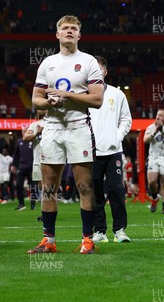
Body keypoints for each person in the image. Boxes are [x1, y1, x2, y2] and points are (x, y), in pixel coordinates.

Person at [28, 15, 104, 254]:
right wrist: (51, 102)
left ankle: (87, 241)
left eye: (74, 28)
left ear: (79, 35)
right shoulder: (47, 63)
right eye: (65, 28)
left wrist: (68, 95)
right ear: (57, 34)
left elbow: (97, 99)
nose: (69, 31)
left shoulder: (89, 61)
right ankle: (48, 241)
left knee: (83, 185)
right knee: (49, 187)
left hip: (78, 126)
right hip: (52, 128)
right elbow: (35, 100)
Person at [90, 56, 132, 243]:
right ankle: (99, 231)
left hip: (114, 150)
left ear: (105, 72)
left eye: (99, 69)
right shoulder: (84, 95)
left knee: (116, 190)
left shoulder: (117, 94)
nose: (96, 72)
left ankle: (120, 230)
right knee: (95, 192)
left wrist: (117, 137)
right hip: (91, 152)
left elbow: (126, 120)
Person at [144, 109, 164, 214]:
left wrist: (162, 130)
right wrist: (155, 132)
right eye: (157, 115)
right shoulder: (150, 127)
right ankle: (155, 198)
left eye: (161, 115)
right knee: (151, 182)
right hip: (153, 158)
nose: (157, 117)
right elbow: (145, 140)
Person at [23, 110, 47, 210]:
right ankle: (45, 210)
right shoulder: (35, 124)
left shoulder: (53, 122)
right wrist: (37, 133)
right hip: (38, 159)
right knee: (41, 185)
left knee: (49, 185)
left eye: (42, 108)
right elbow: (25, 137)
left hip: (51, 158)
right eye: (38, 108)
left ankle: (48, 210)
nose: (39, 110)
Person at [11, 128, 34, 211]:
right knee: (18, 185)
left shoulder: (33, 141)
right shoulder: (19, 142)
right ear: (22, 133)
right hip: (21, 167)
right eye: (24, 131)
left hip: (31, 167)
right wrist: (13, 165)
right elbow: (16, 154)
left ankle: (33, 204)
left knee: (32, 187)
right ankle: (21, 204)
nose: (25, 133)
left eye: (26, 131)